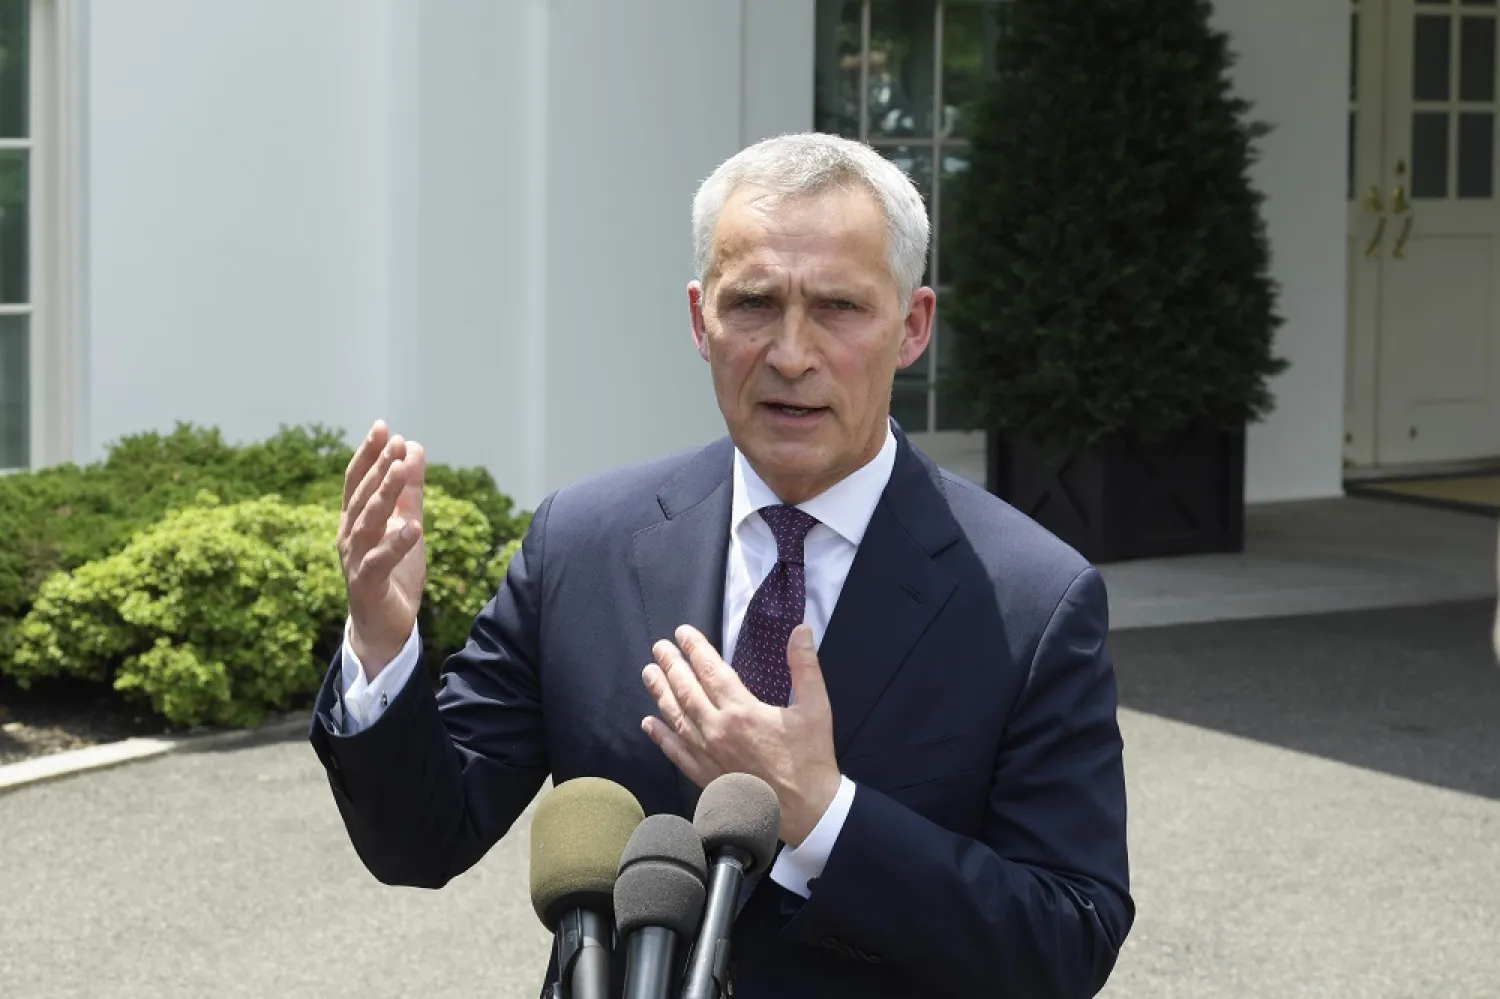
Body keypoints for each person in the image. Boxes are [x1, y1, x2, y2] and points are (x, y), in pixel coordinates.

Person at [308, 132, 1133, 998]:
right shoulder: (582, 544)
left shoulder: (1031, 601)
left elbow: (1066, 938)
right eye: (754, 304)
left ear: (913, 326)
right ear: (700, 320)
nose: (789, 353)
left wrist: (822, 814)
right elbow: (421, 840)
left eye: (839, 308)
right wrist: (381, 639)